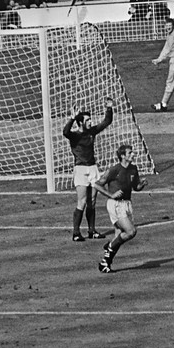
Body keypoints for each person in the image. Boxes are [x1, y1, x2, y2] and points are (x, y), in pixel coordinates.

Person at [63, 98, 114, 241]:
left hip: (93, 168)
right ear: (80, 123)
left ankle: (92, 230)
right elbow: (65, 132)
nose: (90, 122)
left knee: (93, 200)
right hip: (80, 170)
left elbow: (106, 122)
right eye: (87, 120)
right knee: (82, 201)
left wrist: (109, 108)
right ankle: (76, 233)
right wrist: (72, 118)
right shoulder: (75, 135)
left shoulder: (91, 132)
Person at [92, 144, 148, 273]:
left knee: (118, 236)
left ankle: (105, 263)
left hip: (127, 204)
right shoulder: (114, 170)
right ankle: (110, 247)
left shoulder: (134, 169)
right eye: (130, 153)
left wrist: (142, 184)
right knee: (130, 232)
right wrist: (111, 194)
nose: (133, 154)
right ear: (123, 156)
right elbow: (97, 185)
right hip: (115, 204)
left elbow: (136, 187)